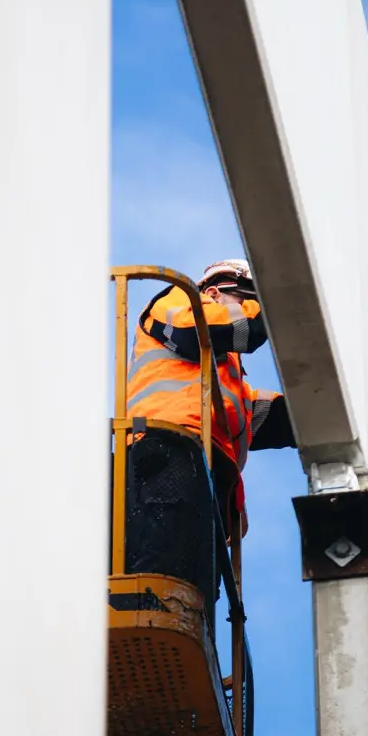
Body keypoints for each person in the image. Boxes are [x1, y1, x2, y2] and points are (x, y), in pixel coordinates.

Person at [122, 259, 295, 608]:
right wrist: (282, 301)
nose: (252, 305)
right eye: (245, 296)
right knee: (160, 566)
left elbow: (271, 416)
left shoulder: (222, 383)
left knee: (195, 589)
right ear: (214, 291)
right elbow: (242, 326)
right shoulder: (178, 301)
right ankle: (146, 612)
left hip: (205, 471)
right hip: (168, 447)